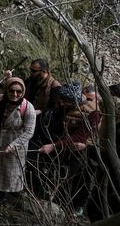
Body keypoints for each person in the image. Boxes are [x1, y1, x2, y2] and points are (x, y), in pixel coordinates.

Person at [39, 82, 101, 215]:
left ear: (74, 100)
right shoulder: (66, 106)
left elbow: (78, 137)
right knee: (60, 174)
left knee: (76, 179)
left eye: (65, 101)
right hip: (65, 147)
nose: (61, 103)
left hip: (85, 150)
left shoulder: (92, 113)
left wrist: (53, 146)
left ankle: (70, 208)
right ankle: (55, 201)